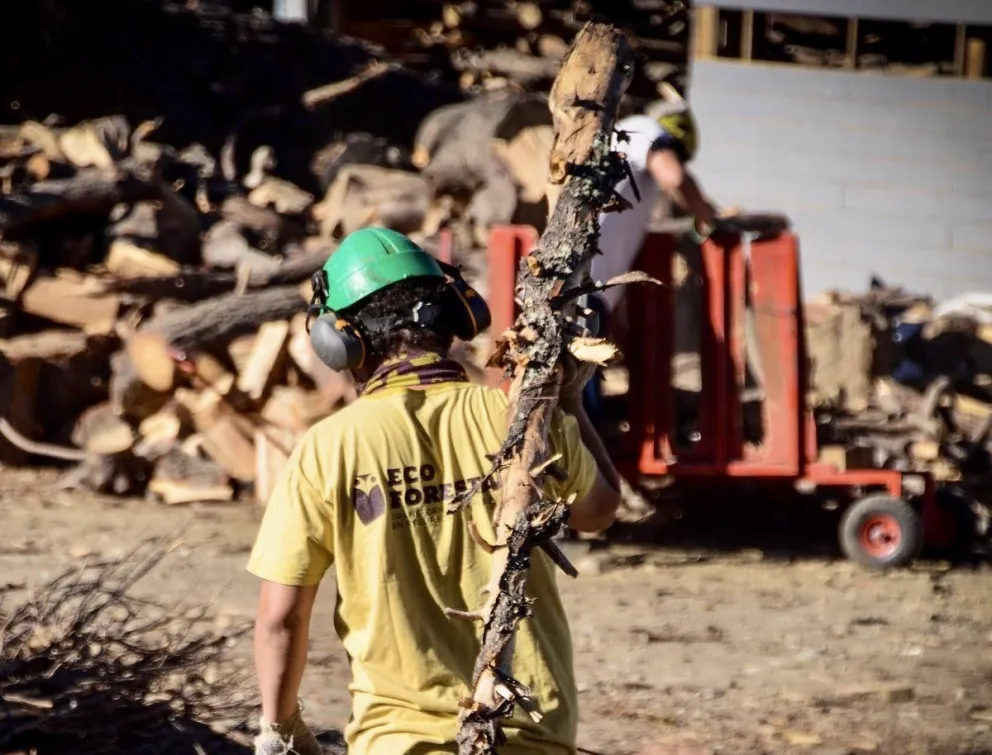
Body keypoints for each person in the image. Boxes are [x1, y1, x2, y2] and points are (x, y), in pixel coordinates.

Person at [246, 227, 621, 755]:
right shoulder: (517, 419)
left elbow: (281, 617)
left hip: (400, 743)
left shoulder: (329, 448)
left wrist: (281, 730)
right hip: (530, 734)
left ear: (341, 341)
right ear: (456, 316)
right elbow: (598, 512)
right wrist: (570, 403)